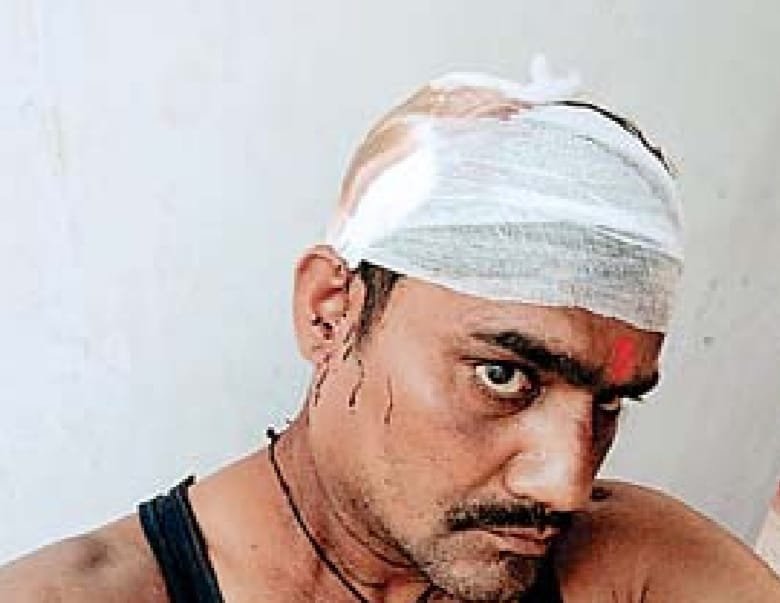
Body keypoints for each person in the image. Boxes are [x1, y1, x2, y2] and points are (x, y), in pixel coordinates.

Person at [1, 66, 779, 602]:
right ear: (330, 311)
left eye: (609, 402)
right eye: (504, 375)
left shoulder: (634, 569)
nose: (564, 485)